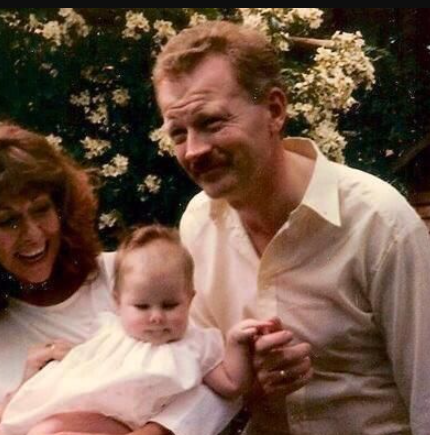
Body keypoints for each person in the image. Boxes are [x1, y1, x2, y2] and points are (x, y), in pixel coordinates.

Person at [152, 21, 430, 435]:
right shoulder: (198, 223)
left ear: (275, 110)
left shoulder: (378, 223)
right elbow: (205, 372)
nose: (193, 150)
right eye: (178, 132)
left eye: (211, 123)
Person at [0, 124, 237, 435]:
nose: (33, 234)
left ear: (61, 210)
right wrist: (5, 409)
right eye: (7, 222)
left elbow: (216, 379)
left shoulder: (126, 277)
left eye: (40, 210)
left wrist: (156, 431)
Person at [0, 225, 274, 435]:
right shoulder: (111, 332)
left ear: (190, 298)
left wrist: (237, 343)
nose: (156, 317)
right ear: (118, 302)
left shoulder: (196, 345)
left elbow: (231, 385)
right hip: (80, 413)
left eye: (170, 305)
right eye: (142, 306)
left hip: (127, 426)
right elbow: (74, 371)